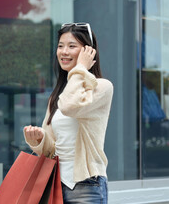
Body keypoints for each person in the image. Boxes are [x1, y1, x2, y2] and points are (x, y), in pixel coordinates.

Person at [24, 23, 113, 204]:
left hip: (87, 186)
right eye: (60, 46)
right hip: (55, 185)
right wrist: (38, 138)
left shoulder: (102, 87)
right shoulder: (57, 96)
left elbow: (70, 107)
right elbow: (50, 149)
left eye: (72, 46)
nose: (64, 52)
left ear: (88, 51)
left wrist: (80, 68)